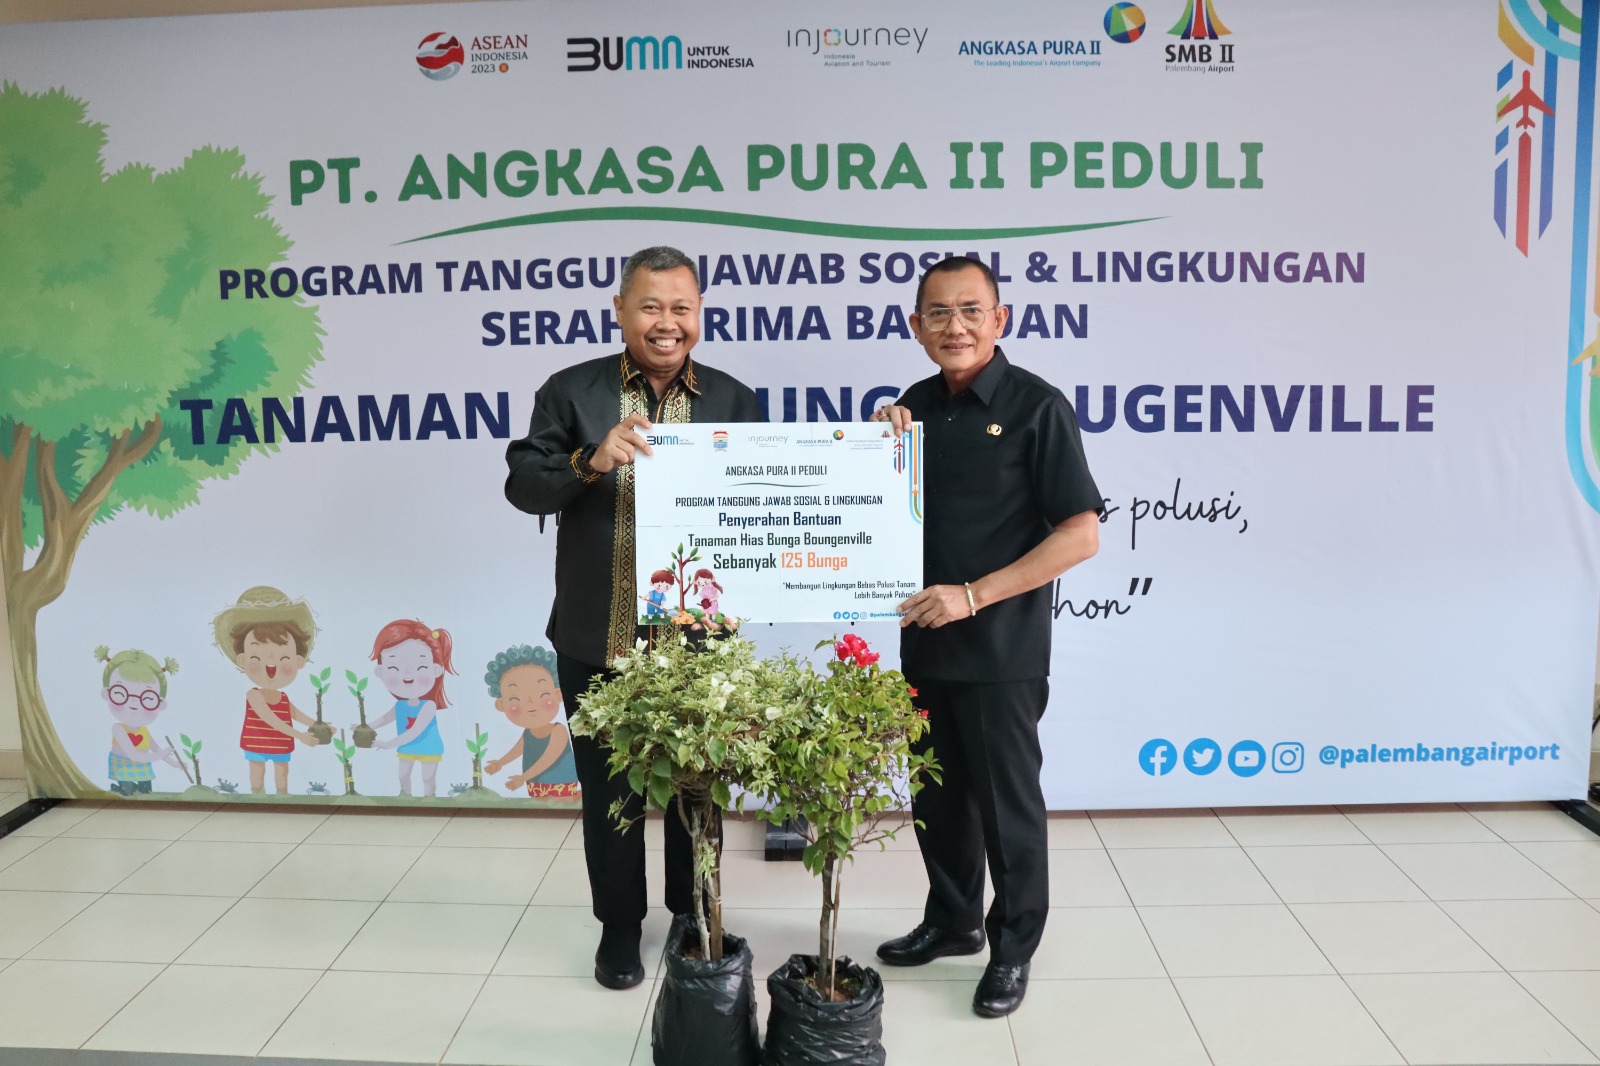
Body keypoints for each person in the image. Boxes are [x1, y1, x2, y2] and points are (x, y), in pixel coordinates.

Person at [504, 245, 762, 990]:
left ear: (700, 313)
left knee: (695, 788)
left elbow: (769, 498)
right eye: (650, 306)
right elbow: (524, 485)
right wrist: (590, 460)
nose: (666, 322)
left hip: (698, 643)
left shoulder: (735, 400)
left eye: (682, 307)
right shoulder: (571, 391)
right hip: (599, 633)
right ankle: (619, 926)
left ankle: (692, 913)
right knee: (609, 793)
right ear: (620, 310)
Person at [871, 256, 1102, 1019]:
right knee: (936, 798)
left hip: (1002, 651)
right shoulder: (912, 405)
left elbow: (1080, 535)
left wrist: (973, 597)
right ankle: (953, 920)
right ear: (916, 326)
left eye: (971, 310)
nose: (956, 326)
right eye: (938, 313)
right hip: (925, 642)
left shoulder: (1038, 407)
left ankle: (1012, 948)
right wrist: (870, 453)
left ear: (1001, 319)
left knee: (1007, 810)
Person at [212, 585, 323, 796]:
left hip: (281, 742)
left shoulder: (283, 697)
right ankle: (258, 799)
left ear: (298, 661)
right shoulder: (253, 695)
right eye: (256, 658)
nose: (271, 667)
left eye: (284, 658)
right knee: (257, 774)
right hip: (256, 742)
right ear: (242, 660)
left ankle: (282, 800)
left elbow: (294, 713)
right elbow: (271, 719)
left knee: (282, 775)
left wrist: (317, 724)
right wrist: (300, 735)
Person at [367, 620, 455, 797]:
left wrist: (387, 744)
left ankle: (429, 800)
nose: (407, 676)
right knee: (403, 776)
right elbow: (385, 719)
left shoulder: (429, 706)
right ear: (380, 672)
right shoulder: (400, 705)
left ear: (436, 670)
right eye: (393, 668)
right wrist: (365, 726)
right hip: (406, 748)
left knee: (427, 778)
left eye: (421, 667)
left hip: (428, 748)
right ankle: (405, 798)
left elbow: (414, 731)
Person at [482, 643, 580, 799]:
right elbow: (517, 750)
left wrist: (523, 777)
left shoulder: (558, 730)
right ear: (501, 704)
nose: (530, 703)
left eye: (542, 695)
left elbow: (548, 758)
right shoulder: (528, 733)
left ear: (558, 694)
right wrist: (500, 763)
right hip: (535, 785)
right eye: (515, 699)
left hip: (560, 784)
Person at [96, 646, 183, 796]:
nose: (133, 704)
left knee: (146, 792)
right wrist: (160, 756)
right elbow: (134, 755)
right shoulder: (118, 729)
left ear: (160, 704)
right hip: (123, 767)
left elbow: (156, 749)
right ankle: (117, 788)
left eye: (148, 698)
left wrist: (175, 763)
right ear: (107, 694)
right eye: (120, 694)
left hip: (143, 766)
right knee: (129, 793)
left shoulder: (144, 730)